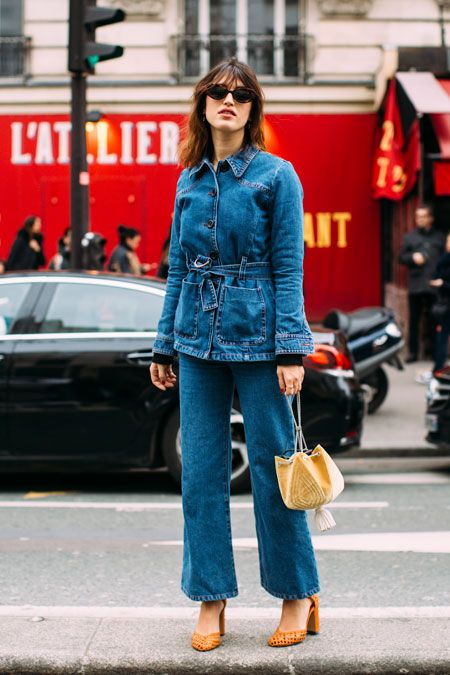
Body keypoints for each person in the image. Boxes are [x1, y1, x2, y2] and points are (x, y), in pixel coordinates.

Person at [149, 57, 320, 652]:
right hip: (195, 341)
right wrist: (164, 342)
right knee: (199, 475)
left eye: (241, 95)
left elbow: (289, 267)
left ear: (253, 110)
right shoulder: (189, 179)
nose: (229, 101)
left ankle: (297, 594)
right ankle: (210, 598)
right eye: (217, 93)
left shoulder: (277, 176)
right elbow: (177, 269)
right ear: (202, 105)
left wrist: (292, 349)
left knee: (275, 474)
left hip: (259, 337)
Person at [399, 205, 445, 363]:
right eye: (418, 217)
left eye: (423, 216)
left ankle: (433, 352)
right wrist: (412, 257)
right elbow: (401, 257)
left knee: (434, 319)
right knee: (414, 320)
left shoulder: (440, 237)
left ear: (430, 218)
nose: (420, 220)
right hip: (416, 284)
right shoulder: (410, 237)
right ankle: (413, 352)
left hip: (433, 285)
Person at [430, 232, 450, 373]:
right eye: (448, 241)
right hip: (444, 304)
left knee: (442, 337)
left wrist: (443, 284)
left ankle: (438, 368)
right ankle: (438, 368)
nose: (448, 244)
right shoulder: (443, 260)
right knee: (441, 336)